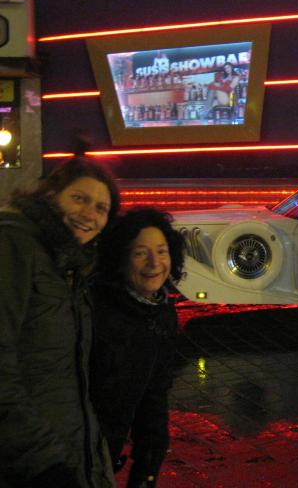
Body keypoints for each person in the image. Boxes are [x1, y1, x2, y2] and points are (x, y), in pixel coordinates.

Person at [0, 158, 119, 488]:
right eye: (79, 198)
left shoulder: (67, 265)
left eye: (101, 208)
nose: (89, 214)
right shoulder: (14, 244)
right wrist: (44, 464)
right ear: (50, 196)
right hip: (29, 464)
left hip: (67, 451)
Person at [90, 208, 182, 488]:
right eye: (140, 253)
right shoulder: (96, 311)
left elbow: (154, 394)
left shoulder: (161, 311)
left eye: (162, 251)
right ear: (120, 259)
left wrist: (147, 469)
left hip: (106, 454)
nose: (154, 263)